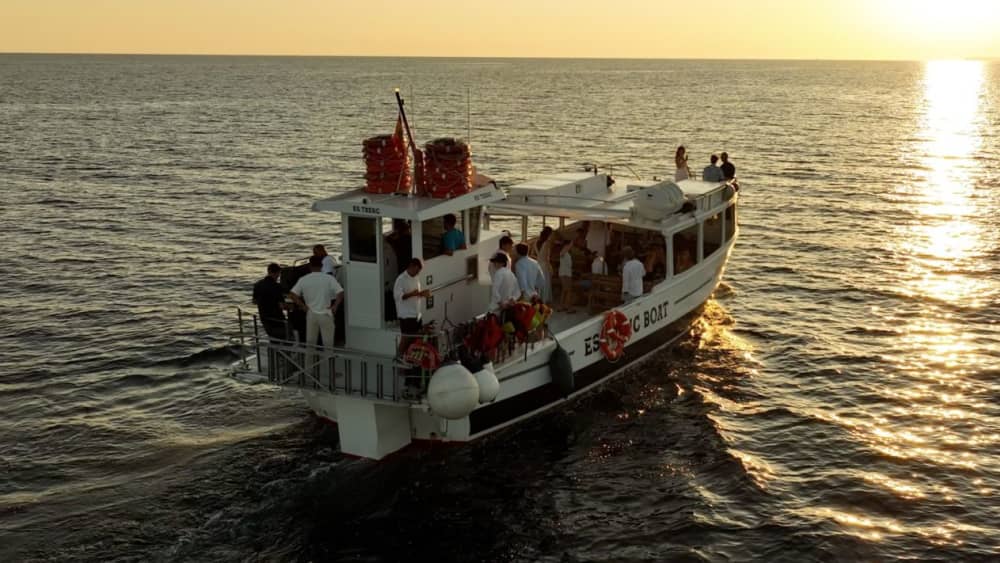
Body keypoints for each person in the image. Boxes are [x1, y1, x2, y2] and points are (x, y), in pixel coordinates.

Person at [289, 255, 344, 370]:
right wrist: (335, 306)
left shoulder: (304, 279)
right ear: (322, 265)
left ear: (309, 266)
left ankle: (309, 369)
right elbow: (340, 293)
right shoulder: (328, 279)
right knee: (328, 345)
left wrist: (303, 306)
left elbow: (292, 295)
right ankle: (331, 371)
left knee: (310, 344)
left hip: (311, 315)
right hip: (326, 314)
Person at [394, 258, 431, 347]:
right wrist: (411, 294)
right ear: (411, 266)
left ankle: (412, 357)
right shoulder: (401, 279)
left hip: (416, 315)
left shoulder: (416, 278)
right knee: (405, 339)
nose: (418, 273)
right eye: (417, 270)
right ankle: (399, 357)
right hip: (406, 316)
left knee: (416, 339)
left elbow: (416, 294)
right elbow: (398, 297)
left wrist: (422, 294)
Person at [252, 263, 287, 339]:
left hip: (264, 319)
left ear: (268, 271)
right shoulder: (277, 287)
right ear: (278, 273)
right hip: (277, 321)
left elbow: (254, 301)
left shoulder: (257, 285)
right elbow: (282, 306)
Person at [557, 241, 576, 313]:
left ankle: (562, 306)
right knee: (568, 290)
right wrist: (571, 243)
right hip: (565, 274)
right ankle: (568, 307)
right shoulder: (563, 252)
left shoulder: (566, 253)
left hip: (566, 273)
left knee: (565, 290)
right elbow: (567, 248)